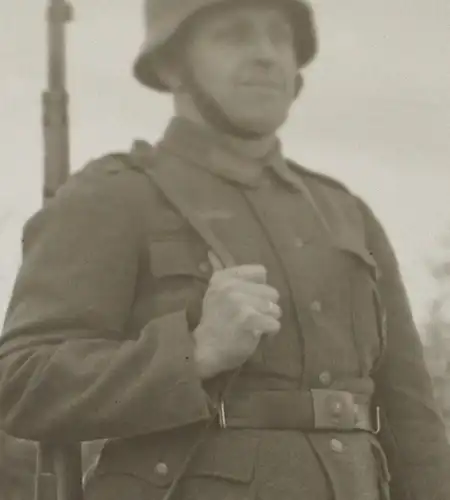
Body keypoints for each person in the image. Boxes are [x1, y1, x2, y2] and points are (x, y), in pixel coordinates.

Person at [0, 0, 449, 499]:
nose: (266, 55)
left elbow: (413, 422)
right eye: (234, 36)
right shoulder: (114, 196)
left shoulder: (345, 213)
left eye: (279, 37)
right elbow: (20, 381)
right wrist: (193, 352)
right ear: (173, 65)